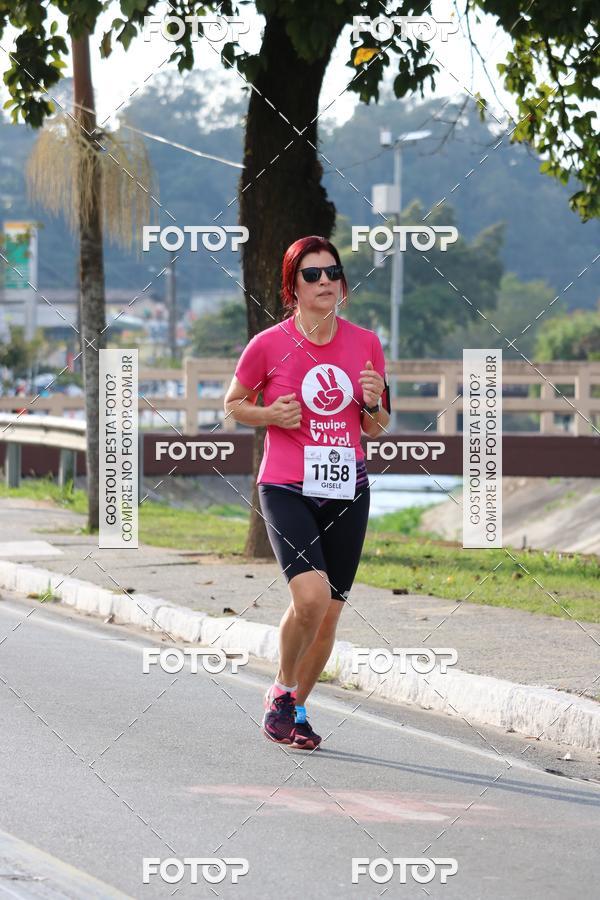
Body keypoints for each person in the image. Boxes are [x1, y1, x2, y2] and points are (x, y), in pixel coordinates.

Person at [224, 235, 391, 750]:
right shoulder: (268, 345)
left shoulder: (365, 343)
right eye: (312, 275)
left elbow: (378, 427)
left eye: (333, 273)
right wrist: (268, 414)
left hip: (347, 487)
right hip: (286, 486)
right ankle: (280, 689)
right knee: (311, 596)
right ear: (291, 287)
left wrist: (369, 404)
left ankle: (294, 709)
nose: (326, 282)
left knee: (330, 612)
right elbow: (234, 404)